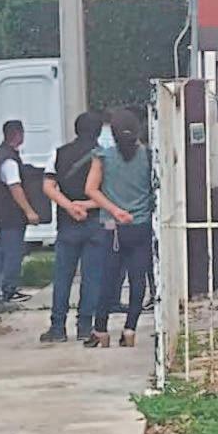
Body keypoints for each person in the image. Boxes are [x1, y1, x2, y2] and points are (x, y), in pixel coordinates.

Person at [86, 108, 155, 348]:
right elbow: (171, 162)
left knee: (108, 279)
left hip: (112, 227)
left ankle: (100, 330)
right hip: (142, 224)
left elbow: (91, 189)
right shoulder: (148, 156)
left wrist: (114, 210)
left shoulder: (102, 156)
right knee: (138, 279)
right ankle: (130, 329)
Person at [41, 111, 109, 344]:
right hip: (95, 220)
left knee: (62, 276)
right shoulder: (103, 155)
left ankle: (57, 327)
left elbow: (48, 186)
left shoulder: (59, 153)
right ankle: (85, 326)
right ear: (98, 131)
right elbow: (108, 192)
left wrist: (70, 206)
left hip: (67, 222)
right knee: (92, 277)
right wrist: (87, 205)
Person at [0, 119, 39, 304]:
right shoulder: (9, 160)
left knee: (4, 252)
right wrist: (29, 211)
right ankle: (7, 290)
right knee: (12, 253)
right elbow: (15, 187)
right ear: (18, 135)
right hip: (10, 214)